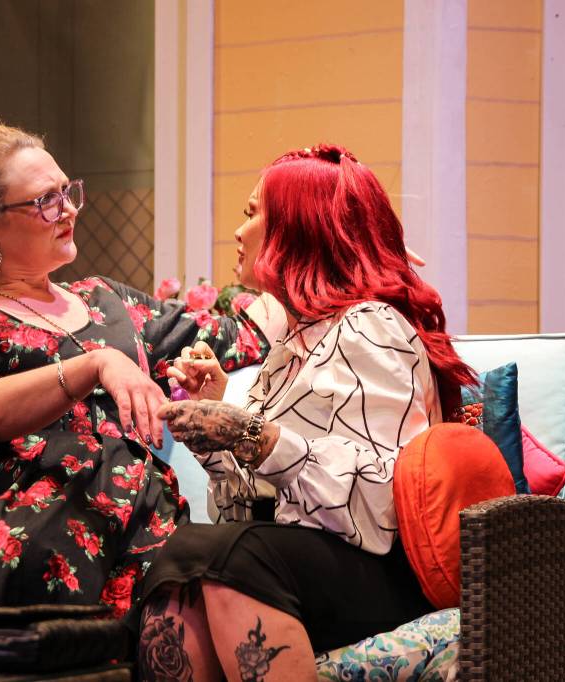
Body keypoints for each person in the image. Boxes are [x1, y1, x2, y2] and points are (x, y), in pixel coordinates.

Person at [0, 113, 270, 641]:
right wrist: (91, 365)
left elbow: (241, 336)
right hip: (1, 512)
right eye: (44, 201)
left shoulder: (108, 303)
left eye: (66, 191)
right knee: (29, 560)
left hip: (130, 514)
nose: (68, 210)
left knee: (206, 574)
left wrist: (364, 273)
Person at [138, 144, 478, 681]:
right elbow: (243, 515)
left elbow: (376, 504)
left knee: (228, 557)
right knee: (186, 559)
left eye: (252, 214)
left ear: (298, 230)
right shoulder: (291, 349)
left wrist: (256, 436)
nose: (238, 231)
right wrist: (217, 433)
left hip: (377, 570)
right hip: (297, 566)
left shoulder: (371, 327)